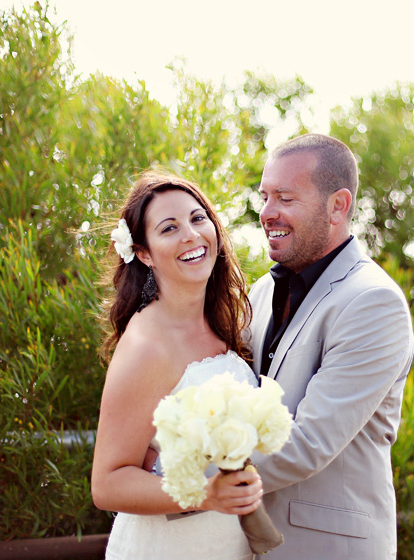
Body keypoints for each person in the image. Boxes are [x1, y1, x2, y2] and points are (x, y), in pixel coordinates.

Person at [247, 133, 414, 559]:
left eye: (285, 197)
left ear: (338, 206)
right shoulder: (260, 292)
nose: (267, 213)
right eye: (264, 196)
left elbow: (306, 445)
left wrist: (184, 470)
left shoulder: (373, 302)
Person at [91, 171, 264, 560]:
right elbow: (107, 484)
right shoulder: (146, 345)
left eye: (197, 218)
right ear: (144, 253)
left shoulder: (225, 323)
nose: (190, 234)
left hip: (226, 545)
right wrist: (206, 493)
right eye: (169, 228)